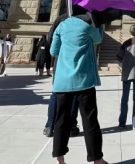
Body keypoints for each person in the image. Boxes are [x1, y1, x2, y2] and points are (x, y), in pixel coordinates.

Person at [50, 11, 106, 164]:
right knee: (89, 120)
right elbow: (99, 39)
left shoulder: (61, 27)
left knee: (61, 120)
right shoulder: (86, 27)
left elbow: (53, 51)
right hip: (84, 80)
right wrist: (100, 24)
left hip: (63, 81)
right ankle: (97, 159)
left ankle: (59, 159)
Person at [117, 24, 135, 130]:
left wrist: (122, 66)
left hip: (126, 73)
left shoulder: (125, 44)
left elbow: (119, 57)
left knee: (125, 98)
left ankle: (122, 123)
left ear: (130, 32)